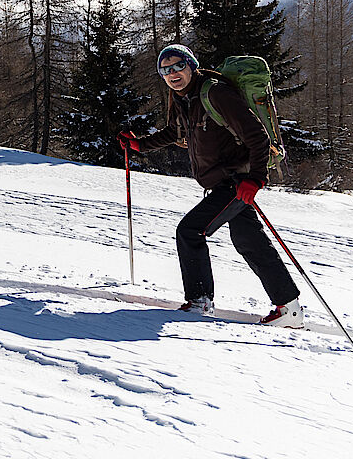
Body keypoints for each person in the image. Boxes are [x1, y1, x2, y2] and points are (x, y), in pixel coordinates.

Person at [117, 44, 302, 327]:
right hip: (225, 182)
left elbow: (257, 136)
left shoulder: (215, 92)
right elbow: (174, 132)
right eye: (166, 70)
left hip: (236, 181)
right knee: (249, 241)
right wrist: (140, 145)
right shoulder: (183, 99)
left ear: (192, 65)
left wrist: (256, 179)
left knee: (190, 231)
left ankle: (200, 301)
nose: (173, 73)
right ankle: (288, 309)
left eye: (179, 66)